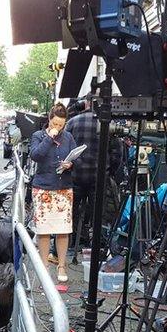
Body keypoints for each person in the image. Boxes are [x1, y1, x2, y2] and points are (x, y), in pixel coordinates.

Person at [65, 98, 121, 249]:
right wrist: (110, 172)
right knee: (99, 212)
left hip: (75, 175)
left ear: (86, 103)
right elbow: (116, 152)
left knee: (72, 211)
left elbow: (63, 148)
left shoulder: (73, 122)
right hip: (99, 176)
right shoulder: (107, 124)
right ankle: (98, 243)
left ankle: (72, 242)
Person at [30, 104, 77, 284]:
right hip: (43, 187)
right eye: (55, 123)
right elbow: (36, 155)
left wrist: (70, 164)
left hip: (63, 187)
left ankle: (62, 265)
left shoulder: (69, 137)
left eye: (61, 124)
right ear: (49, 120)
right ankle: (44, 266)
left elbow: (74, 157)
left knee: (63, 230)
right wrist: (49, 138)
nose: (58, 127)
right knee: (44, 231)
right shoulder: (38, 136)